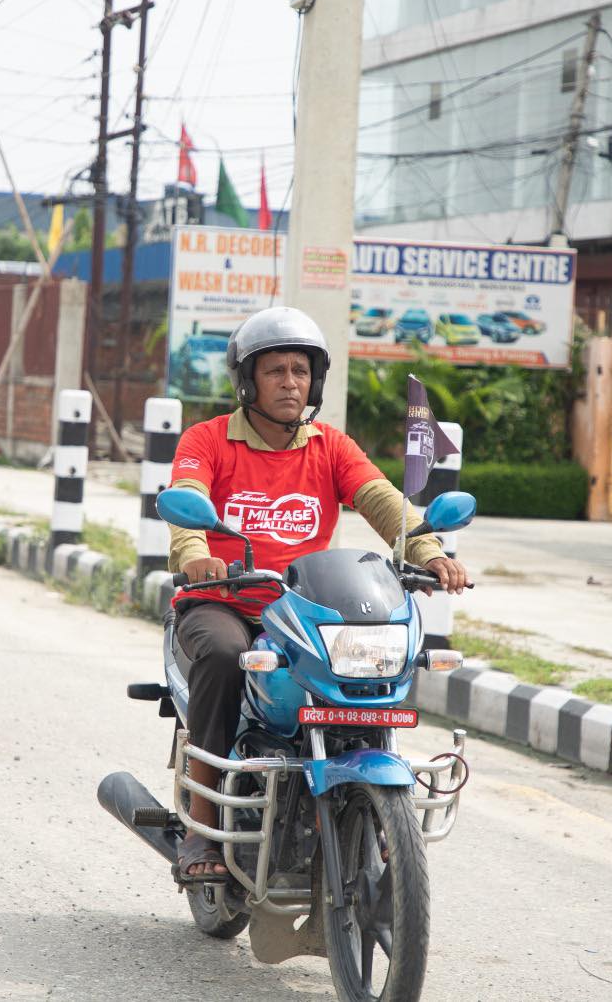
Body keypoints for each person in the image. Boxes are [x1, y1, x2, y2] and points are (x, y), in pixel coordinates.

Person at [163, 306, 470, 883]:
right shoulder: (209, 439)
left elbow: (383, 500)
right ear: (248, 380)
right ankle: (202, 825)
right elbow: (187, 498)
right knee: (227, 657)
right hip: (223, 602)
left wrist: (429, 551)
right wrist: (194, 555)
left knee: (370, 667)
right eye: (275, 370)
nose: (290, 383)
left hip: (299, 610)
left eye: (300, 371)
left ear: (315, 381)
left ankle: (373, 809)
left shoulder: (330, 446)